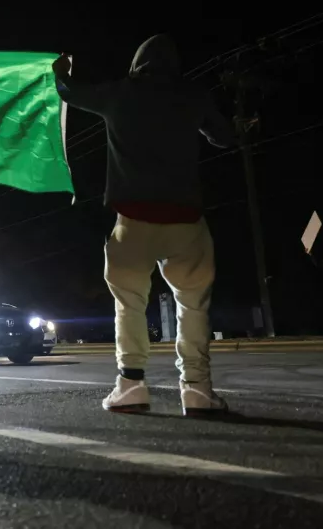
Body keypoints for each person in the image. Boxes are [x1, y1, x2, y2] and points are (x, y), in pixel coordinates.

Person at [52, 34, 236, 416]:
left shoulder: (118, 94)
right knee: (193, 305)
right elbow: (225, 136)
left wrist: (62, 71)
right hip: (186, 220)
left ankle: (131, 385)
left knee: (129, 304)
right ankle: (198, 389)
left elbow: (69, 93)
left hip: (133, 220)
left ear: (136, 64)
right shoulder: (193, 96)